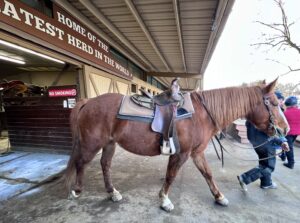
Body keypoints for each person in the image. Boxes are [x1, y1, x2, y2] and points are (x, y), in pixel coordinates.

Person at [237, 121, 289, 191]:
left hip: (257, 144)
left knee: (263, 164)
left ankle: (266, 183)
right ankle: (245, 178)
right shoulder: (266, 113)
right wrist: (282, 142)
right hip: (266, 143)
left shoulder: (252, 116)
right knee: (268, 167)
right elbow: (273, 131)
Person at [280, 96, 300, 169]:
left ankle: (291, 163)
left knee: (289, 147)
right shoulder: (299, 111)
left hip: (288, 132)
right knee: (286, 143)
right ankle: (283, 156)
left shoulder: (285, 113)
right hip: (297, 132)